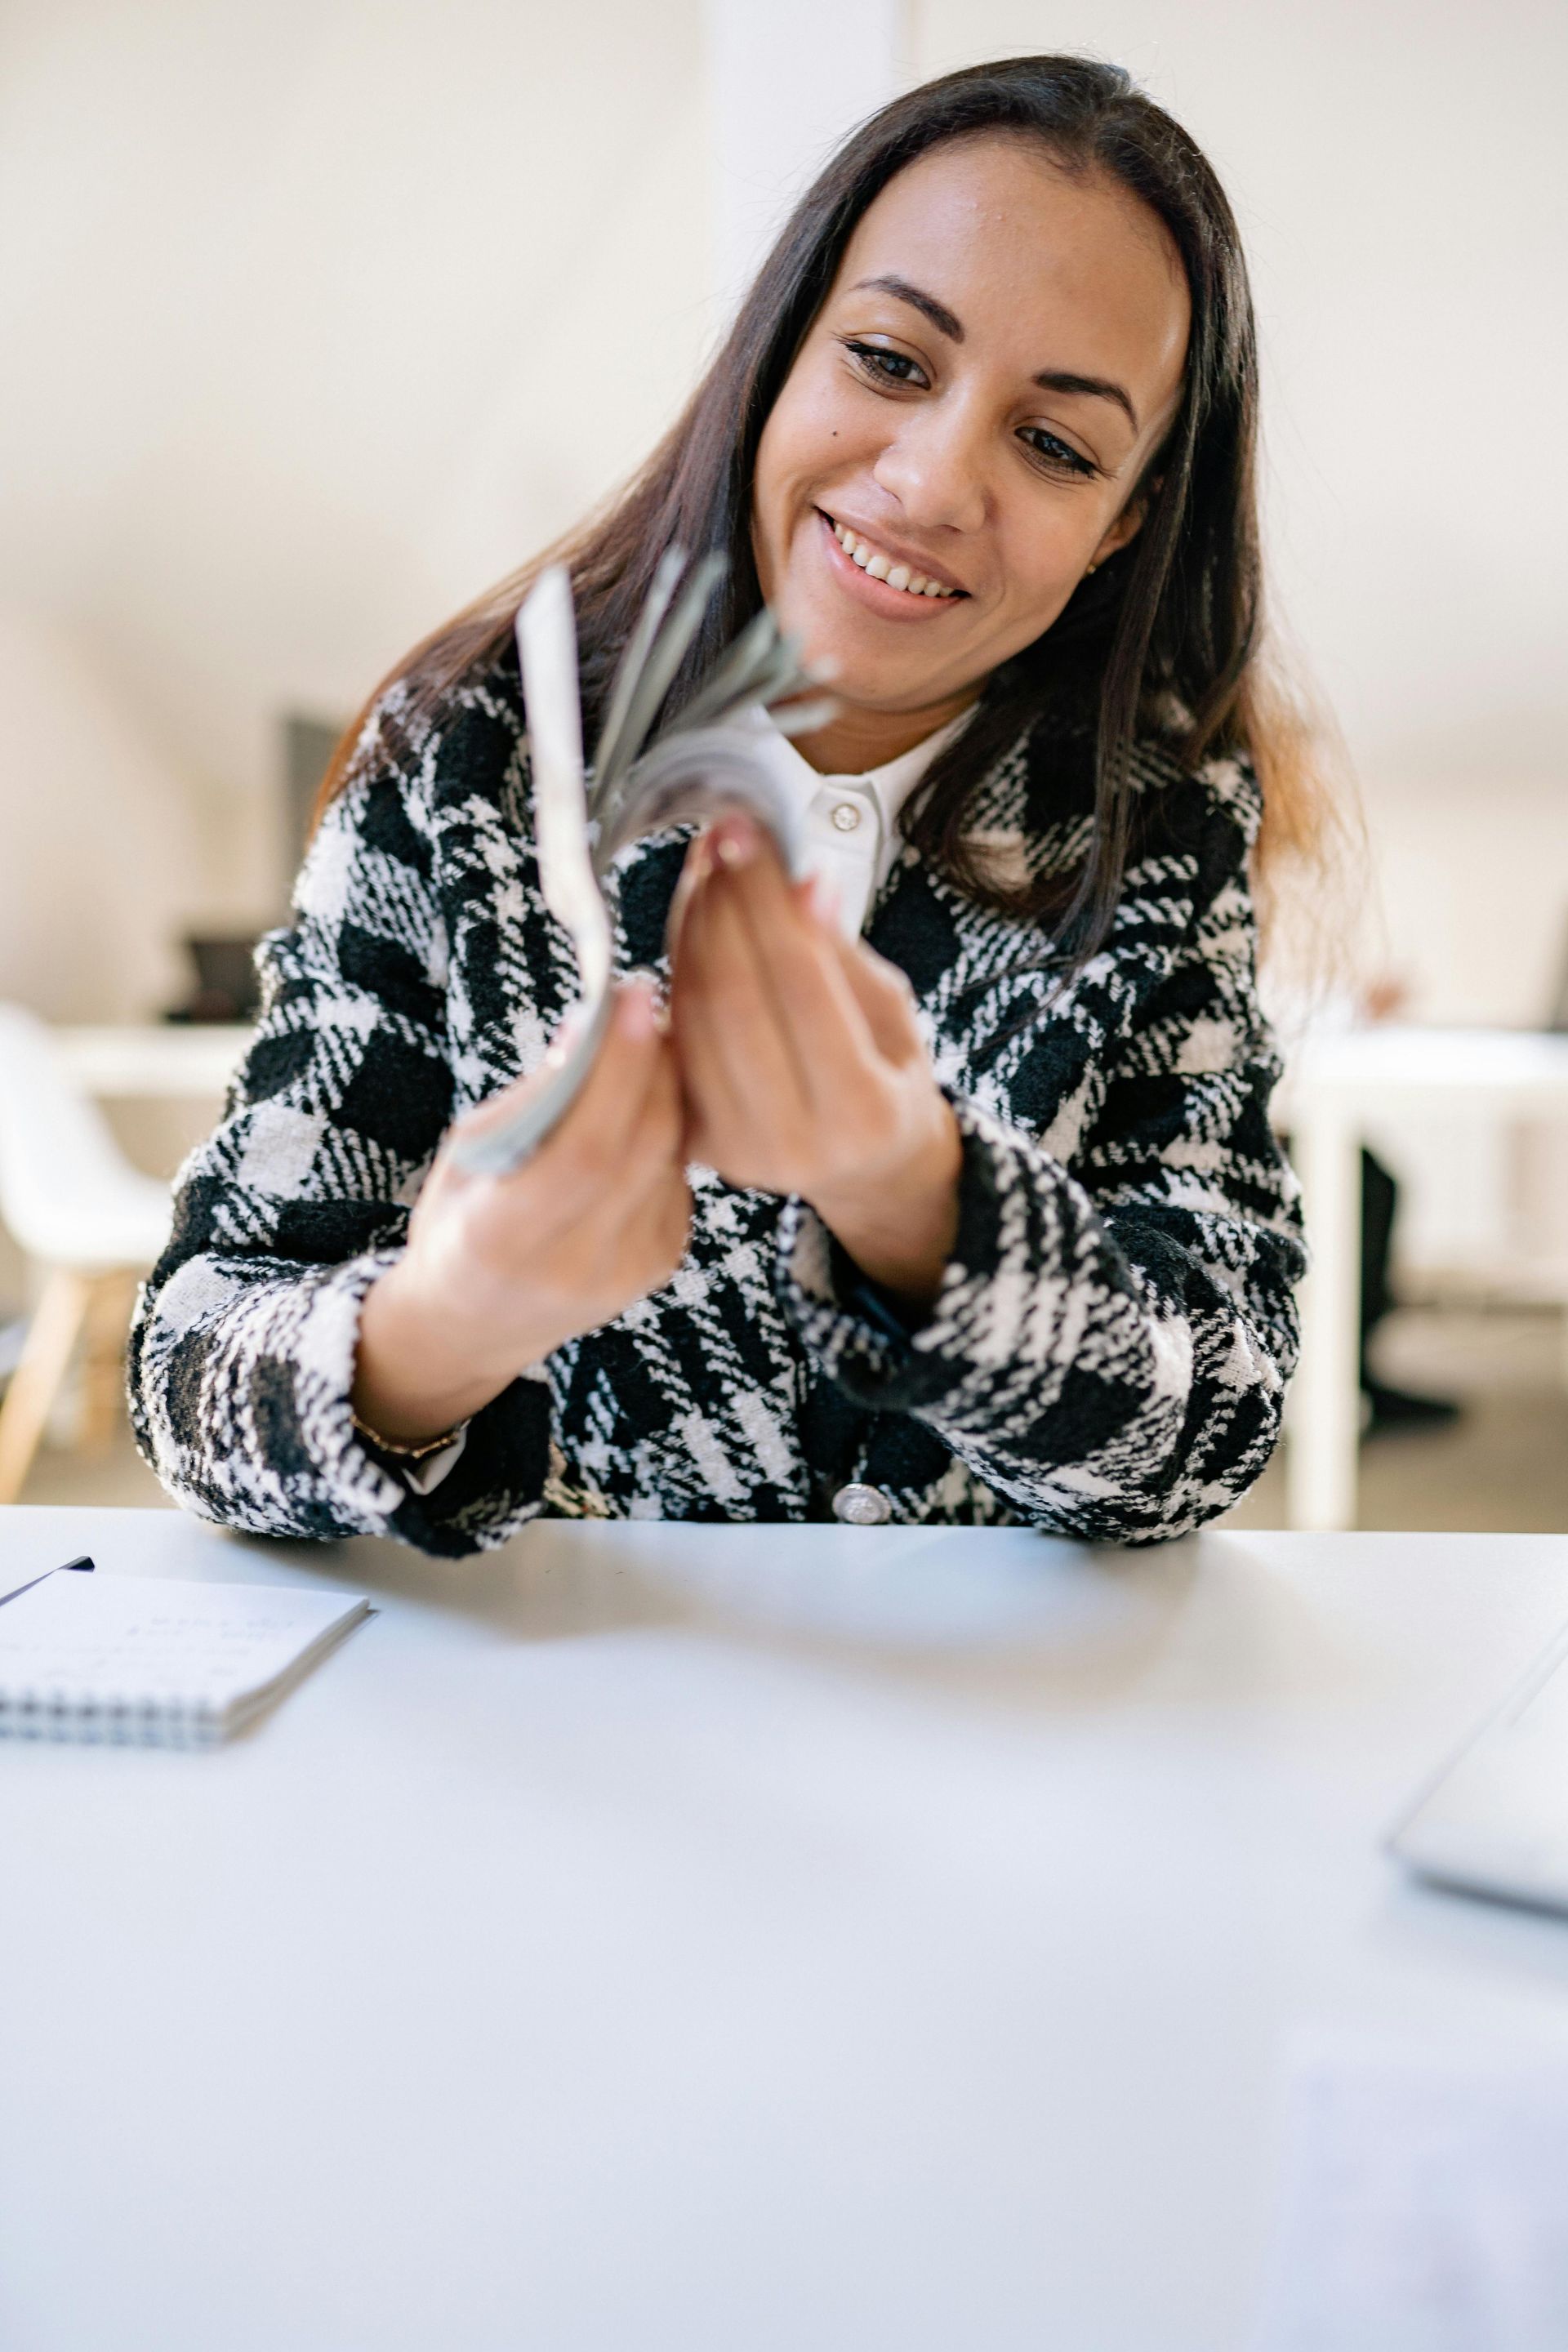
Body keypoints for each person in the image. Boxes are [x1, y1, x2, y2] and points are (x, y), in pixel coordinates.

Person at [129, 55, 1321, 1552]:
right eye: (891, 360)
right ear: (781, 354)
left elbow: (1221, 1415)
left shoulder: (1152, 815)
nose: (932, 480)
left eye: (1056, 443)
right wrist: (443, 1324)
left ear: (1121, 523)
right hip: (542, 1716)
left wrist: (916, 1198)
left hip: (979, 1739)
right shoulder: (471, 756)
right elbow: (191, 1368)